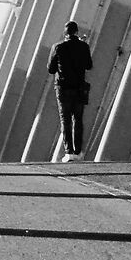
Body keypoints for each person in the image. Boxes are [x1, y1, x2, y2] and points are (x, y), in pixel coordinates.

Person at [45, 22, 92, 160]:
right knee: (78, 119)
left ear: (65, 34)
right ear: (76, 32)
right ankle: (78, 152)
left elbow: (51, 69)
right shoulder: (84, 46)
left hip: (63, 87)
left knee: (65, 119)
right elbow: (89, 65)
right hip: (79, 87)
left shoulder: (58, 47)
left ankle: (69, 152)